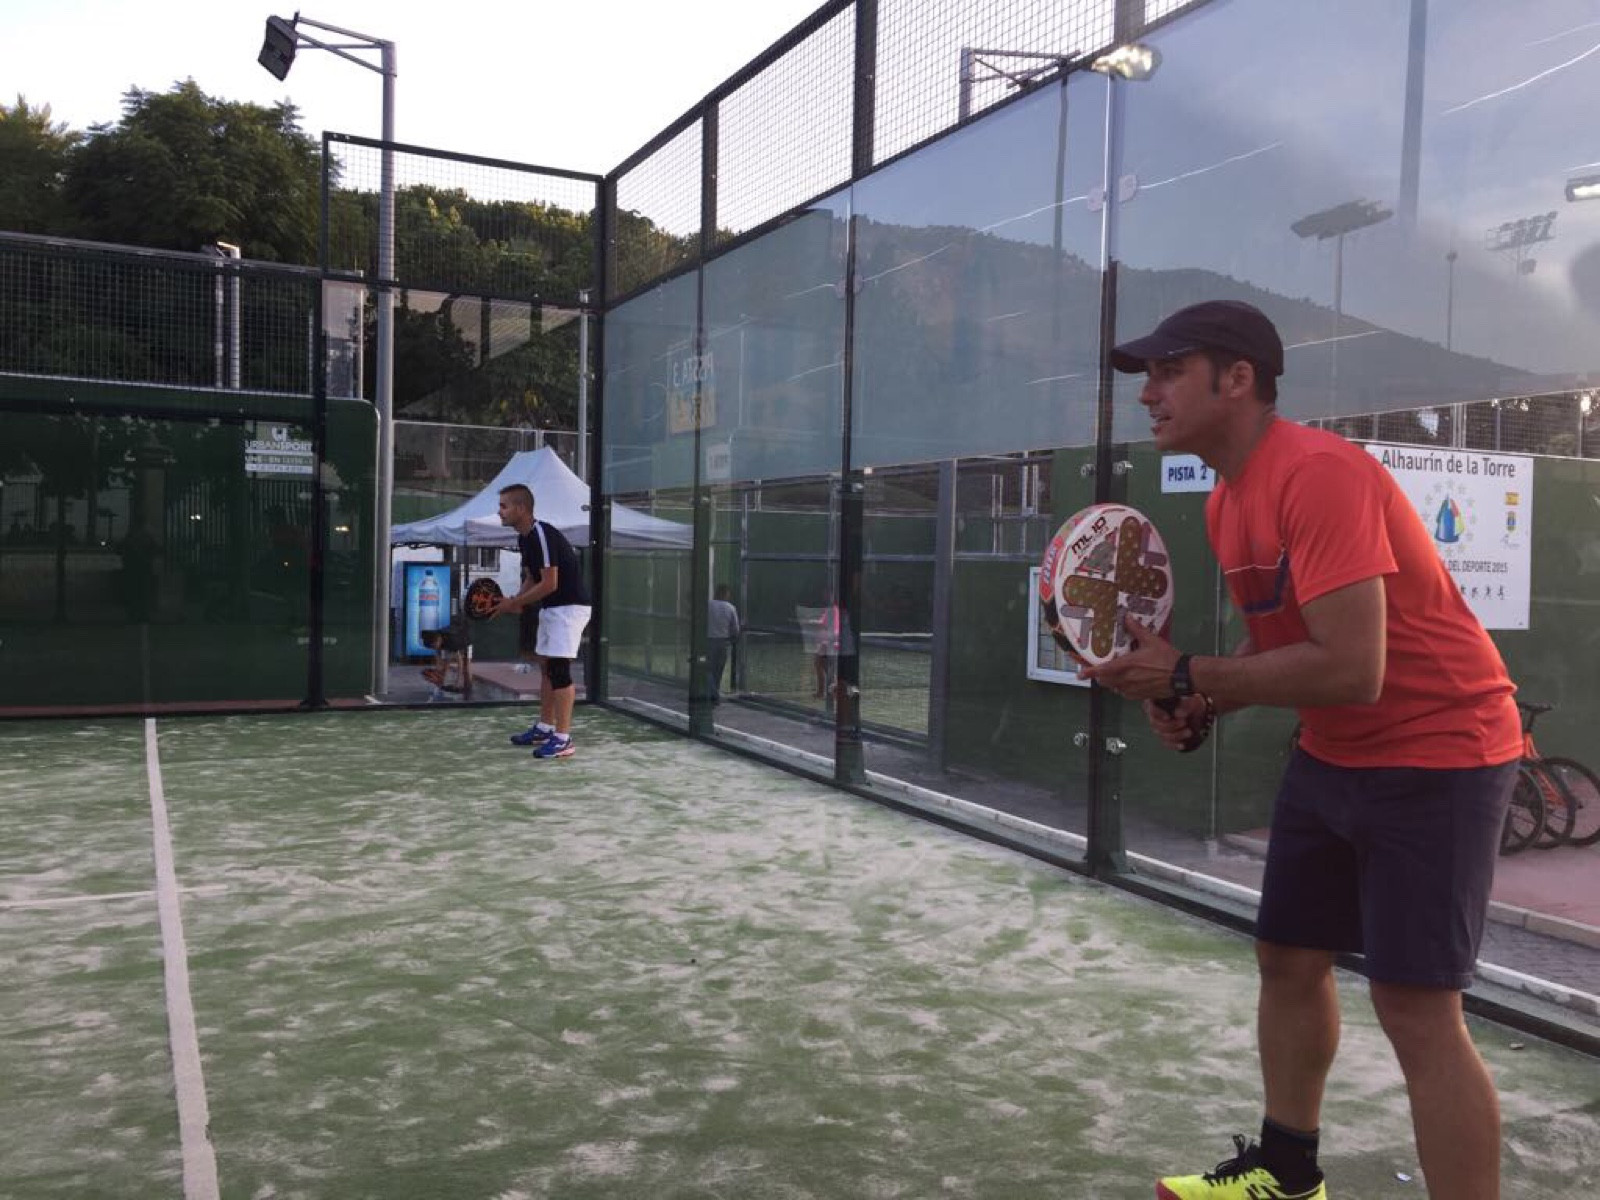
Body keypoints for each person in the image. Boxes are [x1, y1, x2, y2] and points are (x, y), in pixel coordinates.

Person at [1083, 301, 1520, 1200]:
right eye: (1146, 379)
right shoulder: (1228, 501)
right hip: (1333, 755)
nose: (1148, 395)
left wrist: (1190, 670)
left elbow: (1354, 667)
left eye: (1168, 372)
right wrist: (1201, 697)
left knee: (1416, 1008)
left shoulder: (1320, 474)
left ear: (1237, 379)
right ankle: (1286, 1177)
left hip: (1443, 754)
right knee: (1286, 958)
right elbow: (1286, 641)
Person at [492, 484, 591, 760]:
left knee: (559, 670)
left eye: (504, 506)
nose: (499, 512)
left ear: (521, 508)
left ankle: (563, 739)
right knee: (547, 668)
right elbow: (532, 578)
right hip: (551, 608)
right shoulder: (524, 539)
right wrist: (515, 601)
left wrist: (515, 603)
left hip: (569, 608)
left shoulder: (542, 535)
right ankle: (545, 729)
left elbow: (550, 582)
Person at [420, 610, 472, 698]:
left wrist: (457, 682)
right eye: (433, 647)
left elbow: (460, 662)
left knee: (466, 667)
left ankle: (468, 689)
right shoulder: (437, 638)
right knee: (445, 663)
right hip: (452, 639)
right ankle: (441, 684)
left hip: (466, 641)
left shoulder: (453, 640)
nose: (435, 648)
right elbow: (440, 658)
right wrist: (438, 675)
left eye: (434, 646)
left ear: (438, 641)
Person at [706, 583, 741, 704]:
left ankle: (713, 693)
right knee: (719, 669)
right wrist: (733, 638)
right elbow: (735, 629)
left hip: (709, 640)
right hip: (724, 642)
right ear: (726, 594)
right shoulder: (730, 608)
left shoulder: (708, 605)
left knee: (707, 668)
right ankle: (715, 692)